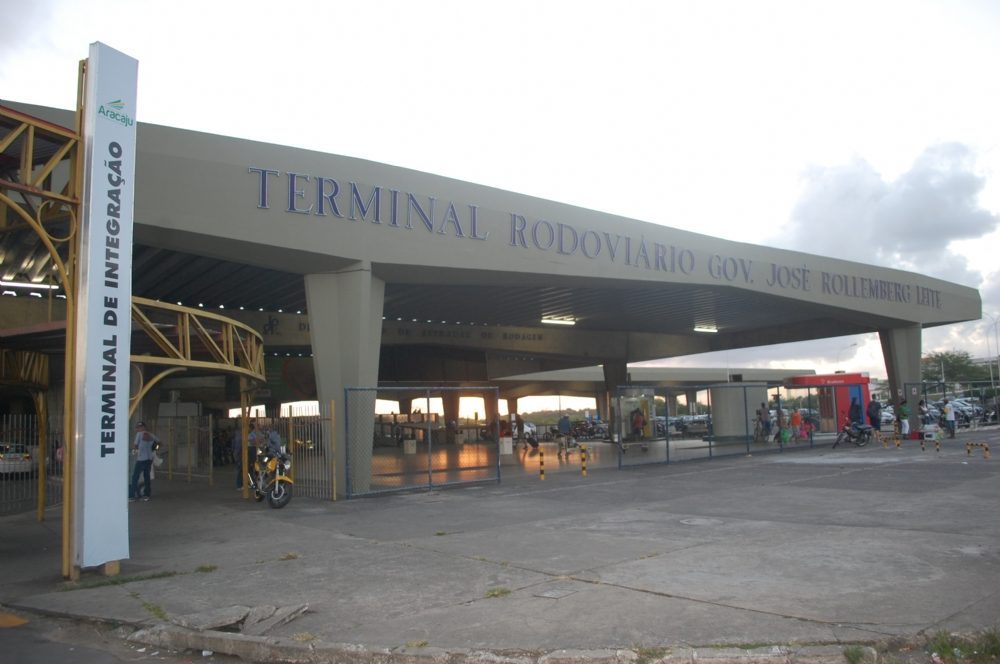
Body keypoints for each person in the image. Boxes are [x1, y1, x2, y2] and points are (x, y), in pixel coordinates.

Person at [129, 421, 160, 502]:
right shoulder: (151, 435)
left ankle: (131, 495)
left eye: (140, 427)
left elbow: (135, 446)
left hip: (141, 459)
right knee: (146, 477)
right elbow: (159, 443)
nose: (139, 429)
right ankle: (146, 495)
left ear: (142, 427)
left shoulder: (139, 434)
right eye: (138, 427)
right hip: (149, 459)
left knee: (135, 477)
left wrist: (133, 451)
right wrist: (154, 449)